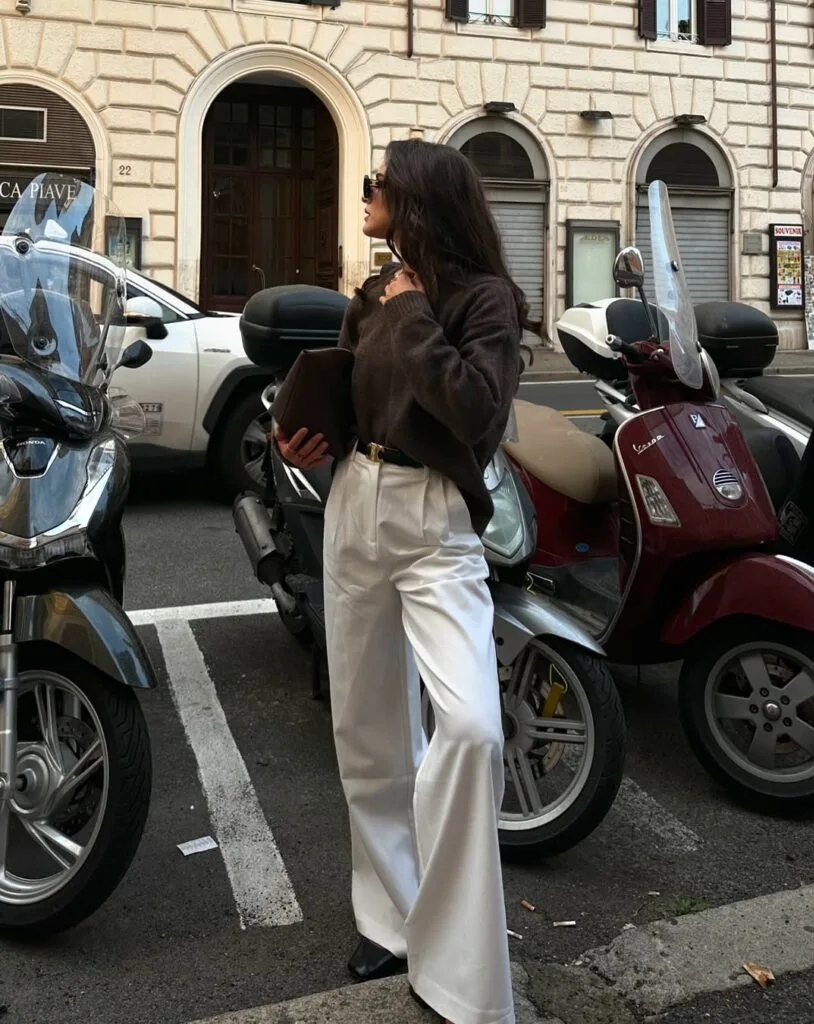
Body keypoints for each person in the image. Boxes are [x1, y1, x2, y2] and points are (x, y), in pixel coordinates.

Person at [276, 138, 536, 1024]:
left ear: (419, 199)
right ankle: (389, 920)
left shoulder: (482, 300)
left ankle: (461, 970)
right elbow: (352, 406)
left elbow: (471, 410)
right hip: (355, 503)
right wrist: (309, 440)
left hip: (435, 522)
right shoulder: (367, 296)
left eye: (377, 184)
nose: (365, 194)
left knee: (467, 728)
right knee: (369, 735)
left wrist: (417, 312)